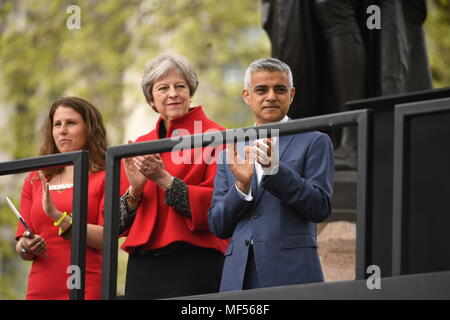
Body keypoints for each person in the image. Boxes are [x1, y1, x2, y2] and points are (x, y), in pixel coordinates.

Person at [208, 58, 334, 291]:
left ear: (292, 94)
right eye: (261, 90)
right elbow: (218, 225)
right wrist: (241, 187)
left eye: (280, 89)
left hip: (292, 274)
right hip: (239, 278)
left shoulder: (315, 140)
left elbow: (320, 206)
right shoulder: (232, 148)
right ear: (247, 96)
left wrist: (273, 170)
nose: (271, 96)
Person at [119, 53, 229, 299]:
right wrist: (134, 191)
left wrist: (165, 181)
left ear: (190, 92)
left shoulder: (218, 137)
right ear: (151, 100)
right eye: (163, 88)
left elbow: (221, 207)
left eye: (180, 86)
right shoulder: (139, 144)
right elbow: (116, 224)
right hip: (143, 265)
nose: (173, 94)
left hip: (195, 260)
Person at [15, 96, 107, 299]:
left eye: (71, 123)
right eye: (57, 124)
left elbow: (106, 239)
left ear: (89, 129)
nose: (62, 130)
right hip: (40, 288)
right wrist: (26, 247)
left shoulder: (105, 175)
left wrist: (58, 215)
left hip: (85, 286)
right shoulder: (35, 178)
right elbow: (22, 244)